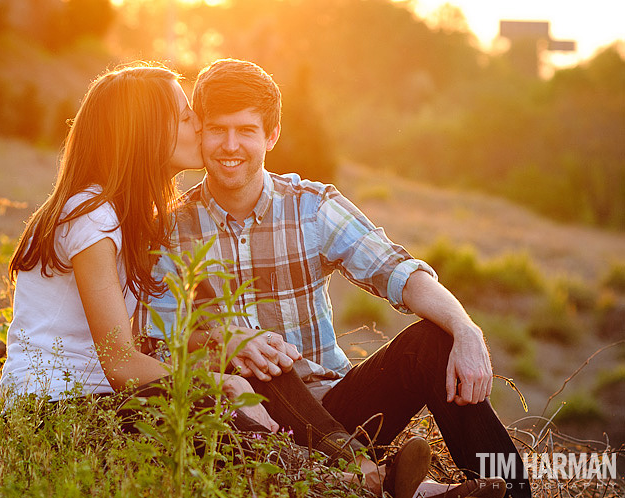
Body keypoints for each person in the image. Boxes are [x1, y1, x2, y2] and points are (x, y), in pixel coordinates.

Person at [0, 63, 431, 498]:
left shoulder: (122, 216)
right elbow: (121, 362)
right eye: (186, 117)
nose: (198, 126)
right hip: (57, 415)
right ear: (149, 131)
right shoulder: (92, 215)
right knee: (216, 401)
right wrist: (217, 382)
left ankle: (361, 473)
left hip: (105, 405)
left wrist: (228, 348)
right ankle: (356, 482)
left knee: (252, 353)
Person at [135, 58, 528, 498]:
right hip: (251, 420)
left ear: (271, 136)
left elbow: (398, 271)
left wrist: (465, 328)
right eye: (217, 129)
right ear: (200, 131)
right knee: (254, 356)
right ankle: (394, 485)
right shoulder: (170, 229)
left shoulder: (311, 206)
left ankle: (512, 492)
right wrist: (224, 342)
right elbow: (158, 339)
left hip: (342, 407)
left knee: (432, 341)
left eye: (245, 130)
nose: (230, 145)